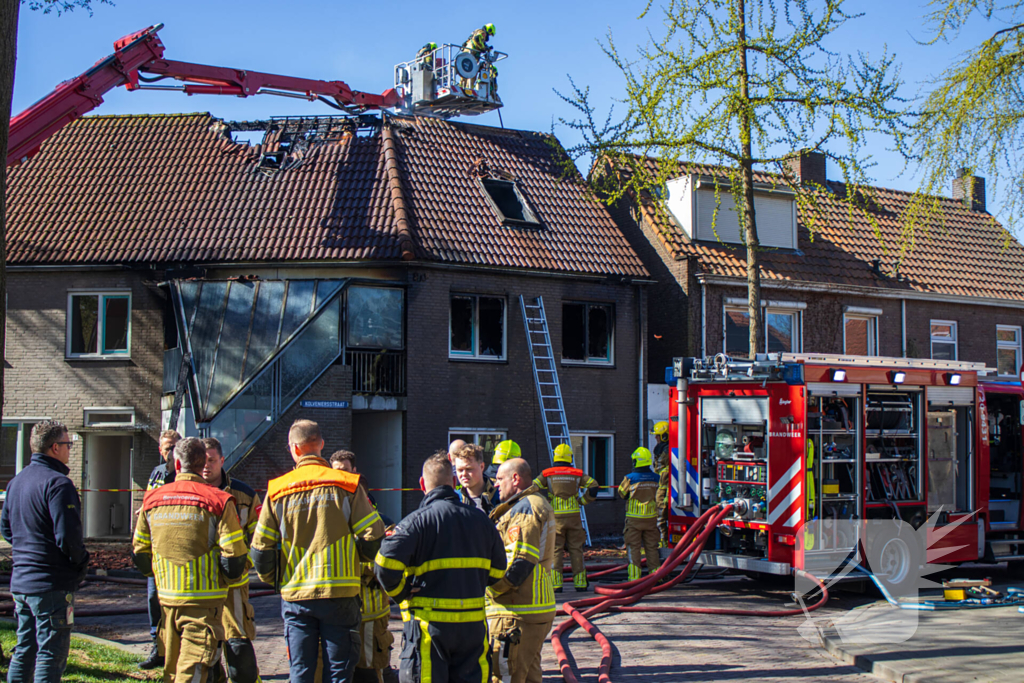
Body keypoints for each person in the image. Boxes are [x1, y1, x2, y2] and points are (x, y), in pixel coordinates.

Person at [250, 420, 385, 683]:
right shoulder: (347, 484)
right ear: (321, 444)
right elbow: (374, 537)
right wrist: (353, 558)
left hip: (296, 596)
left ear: (294, 449)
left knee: (301, 670)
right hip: (340, 594)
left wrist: (278, 580)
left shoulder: (277, 490)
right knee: (339, 672)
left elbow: (261, 551)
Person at [375, 451, 506, 683]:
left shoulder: (414, 522)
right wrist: (472, 582)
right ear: (454, 482)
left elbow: (384, 565)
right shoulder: (483, 522)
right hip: (472, 628)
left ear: (422, 484)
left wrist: (401, 592)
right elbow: (498, 570)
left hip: (429, 630)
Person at [133, 437, 249, 683]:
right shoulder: (219, 500)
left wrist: (161, 576)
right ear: (202, 463)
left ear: (177, 464)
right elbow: (234, 558)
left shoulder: (151, 500)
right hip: (204, 604)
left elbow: (140, 553)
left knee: (174, 669)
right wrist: (224, 580)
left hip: (167, 602)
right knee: (193, 670)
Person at [0, 421, 89, 683]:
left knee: (24, 649)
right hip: (51, 583)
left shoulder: (16, 482)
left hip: (22, 582)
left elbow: (6, 529)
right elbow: (68, 537)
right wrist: (81, 563)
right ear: (55, 447)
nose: (69, 449)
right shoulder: (59, 484)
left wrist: (29, 547)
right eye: (68, 444)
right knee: (51, 653)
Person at [487, 458, 556, 683]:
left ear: (515, 478)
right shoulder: (533, 503)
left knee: (505, 676)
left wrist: (490, 590)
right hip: (532, 609)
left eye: (499, 479)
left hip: (517, 612)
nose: (495, 484)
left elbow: (519, 562)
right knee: (528, 675)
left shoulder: (525, 509)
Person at [330, 450, 396, 683]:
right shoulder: (332, 519)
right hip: (340, 611)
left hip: (371, 612)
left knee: (370, 671)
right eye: (336, 472)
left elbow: (387, 562)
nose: (342, 478)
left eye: (346, 471)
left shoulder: (381, 522)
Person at [201, 438, 262, 683]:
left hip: (234, 584)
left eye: (211, 460)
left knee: (237, 638)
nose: (206, 466)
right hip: (201, 583)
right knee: (205, 643)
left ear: (222, 460)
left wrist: (242, 565)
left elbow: (258, 538)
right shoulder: (188, 493)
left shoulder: (244, 495)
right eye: (202, 461)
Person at [139, 428, 182, 670]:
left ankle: (177, 650)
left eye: (175, 447)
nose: (170, 452)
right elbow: (149, 500)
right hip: (156, 546)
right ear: (160, 449)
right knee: (153, 598)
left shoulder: (184, 474)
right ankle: (158, 647)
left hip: (176, 544)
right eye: (167, 448)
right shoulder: (156, 473)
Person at [533, 444, 598, 592]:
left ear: (555, 457)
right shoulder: (577, 473)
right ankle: (580, 583)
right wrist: (582, 501)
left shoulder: (547, 473)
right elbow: (594, 486)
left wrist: (543, 503)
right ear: (570, 457)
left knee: (555, 550)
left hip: (555, 517)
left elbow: (533, 487)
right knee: (576, 549)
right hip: (574, 516)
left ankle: (556, 585)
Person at [618, 447, 662, 581]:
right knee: (652, 549)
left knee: (633, 548)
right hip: (651, 519)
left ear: (636, 461)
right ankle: (655, 577)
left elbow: (622, 493)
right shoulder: (656, 478)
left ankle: (634, 578)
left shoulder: (630, 478)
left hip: (634, 520)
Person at [453, 443, 499, 514]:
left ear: (482, 467)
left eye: (469, 469)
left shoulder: (500, 496)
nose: (464, 474)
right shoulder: (454, 499)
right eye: (460, 470)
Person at [651, 422, 671, 547]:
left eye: (657, 436)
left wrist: (666, 497)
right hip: (659, 490)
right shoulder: (660, 451)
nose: (655, 438)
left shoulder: (667, 452)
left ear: (664, 436)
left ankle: (664, 544)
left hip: (663, 493)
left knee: (661, 519)